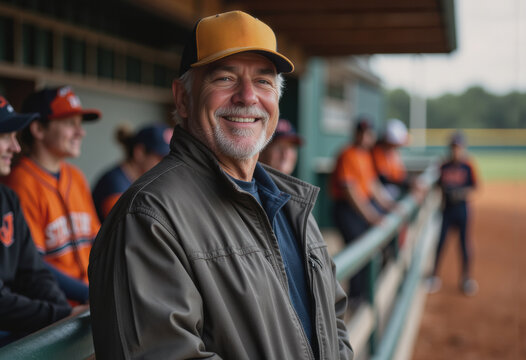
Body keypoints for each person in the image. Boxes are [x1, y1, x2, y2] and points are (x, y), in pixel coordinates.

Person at [89, 10, 353, 360]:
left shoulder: (290, 200)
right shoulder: (148, 216)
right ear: (182, 99)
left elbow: (332, 321)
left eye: (263, 81)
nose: (247, 97)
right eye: (225, 79)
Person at [2, 86, 101, 304]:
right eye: (69, 124)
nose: (80, 132)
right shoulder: (20, 182)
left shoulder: (76, 177)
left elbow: (98, 242)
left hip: (91, 301)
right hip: (56, 310)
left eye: (79, 124)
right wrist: (88, 294)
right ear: (38, 129)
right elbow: (32, 264)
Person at [0, 95, 83, 346]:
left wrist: (63, 314)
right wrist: (60, 314)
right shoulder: (21, 182)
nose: (15, 147)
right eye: (5, 136)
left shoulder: (6, 198)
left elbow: (32, 271)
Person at [330, 117, 395, 301]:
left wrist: (389, 205)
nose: (365, 136)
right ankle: (356, 298)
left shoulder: (366, 155)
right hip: (347, 209)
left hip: (362, 208)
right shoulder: (347, 154)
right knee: (358, 253)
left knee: (370, 252)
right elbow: (350, 191)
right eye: (362, 132)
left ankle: (364, 295)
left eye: (368, 133)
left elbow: (373, 186)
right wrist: (371, 216)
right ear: (356, 134)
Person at [427, 132, 479, 296]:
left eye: (458, 147)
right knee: (441, 243)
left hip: (462, 210)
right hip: (447, 210)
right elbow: (437, 185)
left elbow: (474, 187)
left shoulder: (468, 165)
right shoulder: (444, 166)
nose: (456, 150)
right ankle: (434, 277)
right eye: (453, 147)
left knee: (464, 244)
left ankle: (466, 278)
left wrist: (459, 193)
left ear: (462, 148)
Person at [92, 123, 173, 221]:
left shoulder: (141, 182)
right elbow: (128, 230)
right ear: (139, 152)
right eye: (161, 158)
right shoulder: (114, 184)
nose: (166, 165)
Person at [372, 118, 410, 200]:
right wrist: (407, 184)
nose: (396, 147)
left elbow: (400, 176)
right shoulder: (377, 152)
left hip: (392, 194)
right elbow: (384, 179)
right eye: (393, 144)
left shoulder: (393, 153)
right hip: (379, 197)